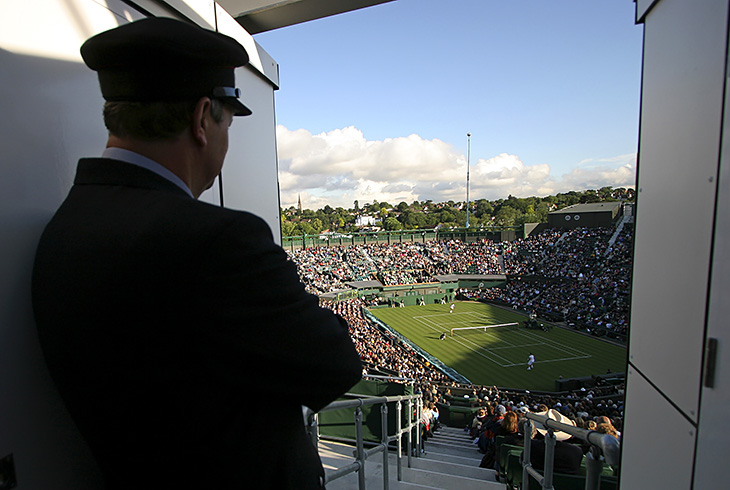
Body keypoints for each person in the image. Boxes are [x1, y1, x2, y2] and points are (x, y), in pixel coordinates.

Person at [31, 17, 362, 490]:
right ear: (202, 117)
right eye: (227, 122)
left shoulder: (64, 228)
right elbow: (336, 364)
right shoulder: (218, 240)